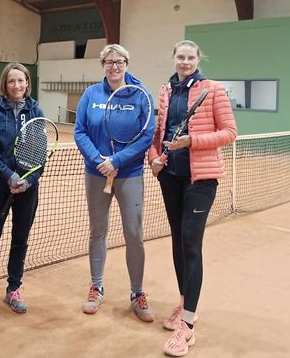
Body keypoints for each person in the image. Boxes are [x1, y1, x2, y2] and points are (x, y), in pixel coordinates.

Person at [147, 40, 237, 357]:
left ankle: (187, 326)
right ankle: (186, 302)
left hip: (201, 180)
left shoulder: (213, 90)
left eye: (190, 57)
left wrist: (192, 141)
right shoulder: (166, 90)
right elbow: (159, 133)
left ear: (198, 59)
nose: (185, 62)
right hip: (170, 177)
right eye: (180, 57)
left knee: (190, 243)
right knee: (177, 240)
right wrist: (154, 159)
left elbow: (229, 132)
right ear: (173, 58)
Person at [73, 44, 156, 322]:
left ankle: (137, 292)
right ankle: (96, 287)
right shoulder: (91, 94)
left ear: (127, 63)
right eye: (108, 62)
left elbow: (146, 135)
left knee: (134, 234)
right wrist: (99, 160)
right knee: (97, 231)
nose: (114, 66)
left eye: (119, 61)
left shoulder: (140, 95)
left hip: (129, 174)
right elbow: (80, 131)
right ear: (103, 65)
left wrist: (117, 161)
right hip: (96, 172)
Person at [0, 62, 44, 315]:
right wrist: (9, 176)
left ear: (27, 83)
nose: (17, 85)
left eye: (21, 80)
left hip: (27, 189)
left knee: (20, 239)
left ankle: (14, 288)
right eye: (12, 81)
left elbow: (40, 153)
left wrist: (28, 180)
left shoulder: (35, 110)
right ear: (5, 84)